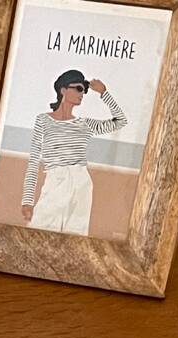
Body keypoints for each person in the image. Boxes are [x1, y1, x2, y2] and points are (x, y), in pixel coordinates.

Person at [20, 69, 127, 237]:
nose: (82, 93)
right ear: (63, 90)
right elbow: (34, 160)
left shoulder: (84, 124)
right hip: (55, 180)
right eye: (78, 88)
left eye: (84, 89)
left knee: (74, 237)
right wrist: (27, 200)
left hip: (81, 182)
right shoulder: (43, 120)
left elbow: (121, 121)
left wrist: (103, 93)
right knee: (40, 233)